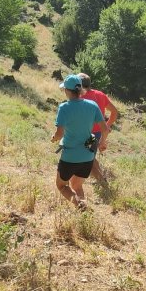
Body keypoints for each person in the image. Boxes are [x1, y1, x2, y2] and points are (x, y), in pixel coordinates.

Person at [51, 74, 108, 210]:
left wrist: (53, 138)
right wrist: (101, 143)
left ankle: (79, 205)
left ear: (66, 90)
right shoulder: (92, 105)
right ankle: (84, 211)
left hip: (70, 157)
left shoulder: (64, 107)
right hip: (88, 156)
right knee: (76, 185)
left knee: (61, 186)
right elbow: (105, 129)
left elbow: (59, 134)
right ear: (80, 89)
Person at [78, 73, 118, 183]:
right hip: (98, 133)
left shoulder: (80, 96)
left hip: (85, 134)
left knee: (87, 158)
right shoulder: (100, 94)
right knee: (89, 157)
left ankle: (102, 181)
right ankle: (100, 179)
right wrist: (107, 125)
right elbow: (114, 112)